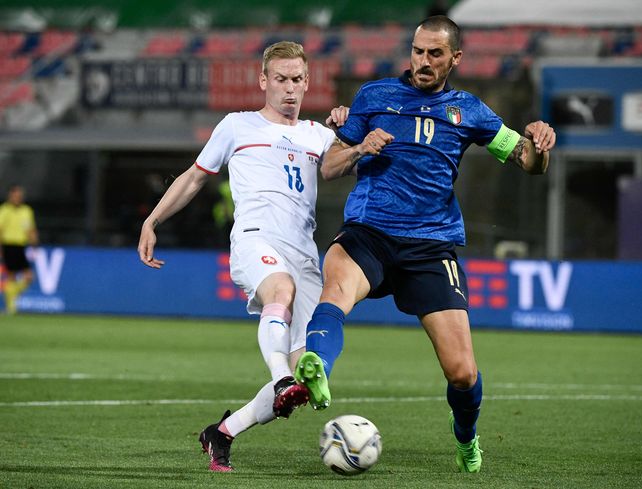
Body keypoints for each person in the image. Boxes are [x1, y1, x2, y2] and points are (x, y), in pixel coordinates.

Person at [294, 15, 556, 474]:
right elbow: (331, 167)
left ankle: (467, 438)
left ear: (455, 58)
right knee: (335, 289)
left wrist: (541, 142)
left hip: (431, 247)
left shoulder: (469, 110)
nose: (423, 61)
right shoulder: (374, 97)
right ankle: (317, 366)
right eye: (418, 51)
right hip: (369, 233)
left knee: (462, 372)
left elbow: (528, 163)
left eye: (435, 54)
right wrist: (359, 148)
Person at [137, 41, 347, 472]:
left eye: (297, 80)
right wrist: (152, 221)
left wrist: (349, 130)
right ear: (263, 81)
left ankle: (223, 432)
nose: (289, 89)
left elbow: (351, 161)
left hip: (304, 252)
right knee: (280, 292)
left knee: (304, 381)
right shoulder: (237, 126)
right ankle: (279, 375)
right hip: (255, 238)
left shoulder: (319, 136)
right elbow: (196, 178)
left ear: (308, 83)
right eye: (281, 79)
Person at [0, 185, 39, 315]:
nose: (17, 198)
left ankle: (12, 294)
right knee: (11, 276)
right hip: (8, 245)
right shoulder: (4, 210)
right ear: (10, 196)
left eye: (19, 196)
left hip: (21, 246)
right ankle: (11, 307)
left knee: (29, 277)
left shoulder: (26, 211)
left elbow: (30, 229)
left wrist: (34, 242)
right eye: (15, 195)